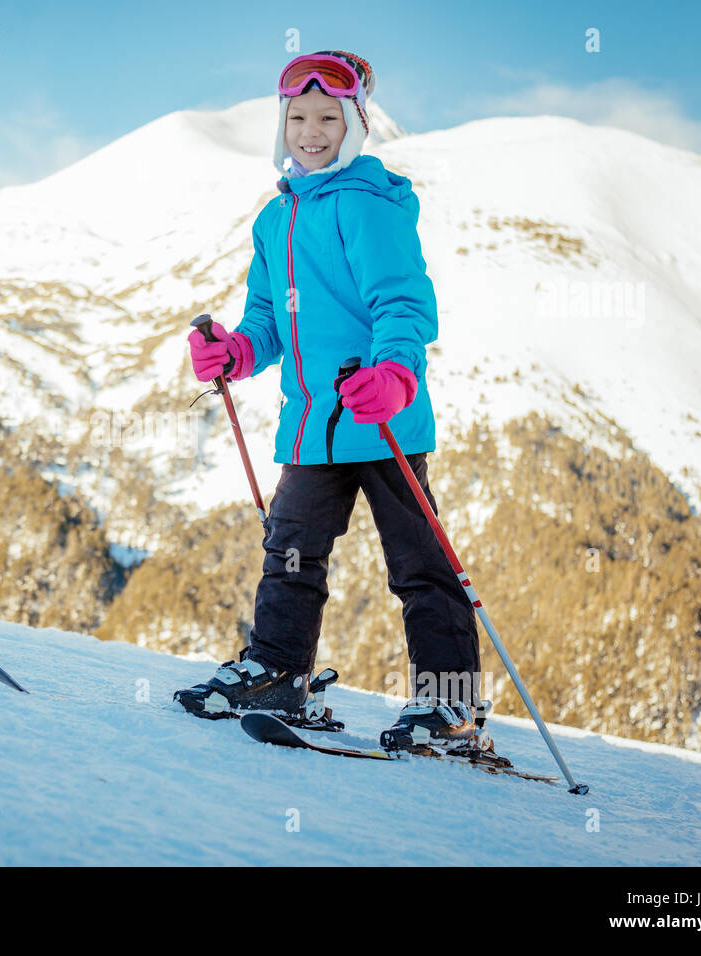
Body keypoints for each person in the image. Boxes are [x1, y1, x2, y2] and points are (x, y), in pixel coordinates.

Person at [174, 51, 490, 753]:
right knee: (289, 553)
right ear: (280, 126)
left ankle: (451, 706)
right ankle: (277, 671)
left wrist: (396, 374)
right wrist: (236, 352)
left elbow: (403, 303)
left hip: (382, 418)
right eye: (297, 118)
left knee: (419, 562)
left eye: (327, 118)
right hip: (313, 426)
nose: (310, 131)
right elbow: (266, 320)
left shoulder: (369, 204)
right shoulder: (273, 220)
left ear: (353, 125)